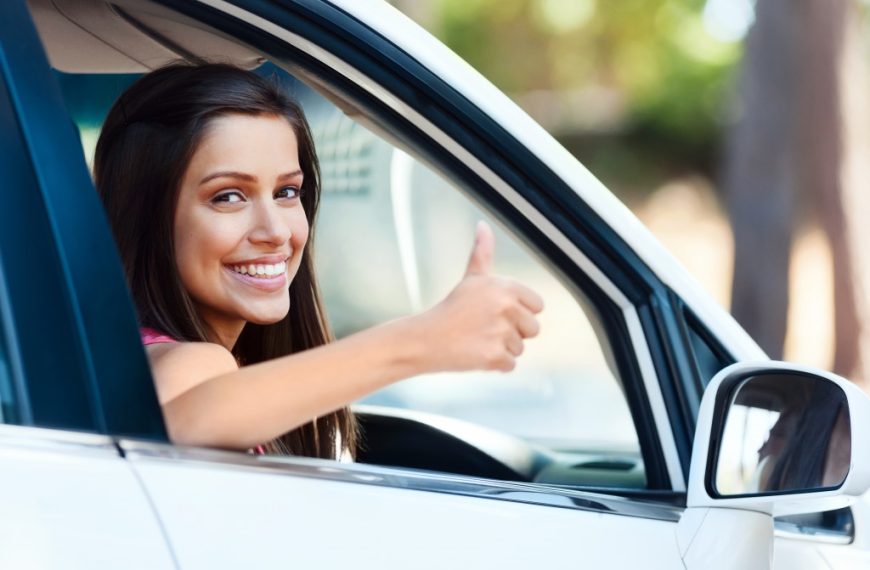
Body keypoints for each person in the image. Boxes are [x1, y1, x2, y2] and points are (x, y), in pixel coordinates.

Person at [94, 62, 543, 459]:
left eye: (287, 192)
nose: (276, 231)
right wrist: (425, 339)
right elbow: (184, 421)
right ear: (149, 218)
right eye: (228, 196)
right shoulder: (186, 363)